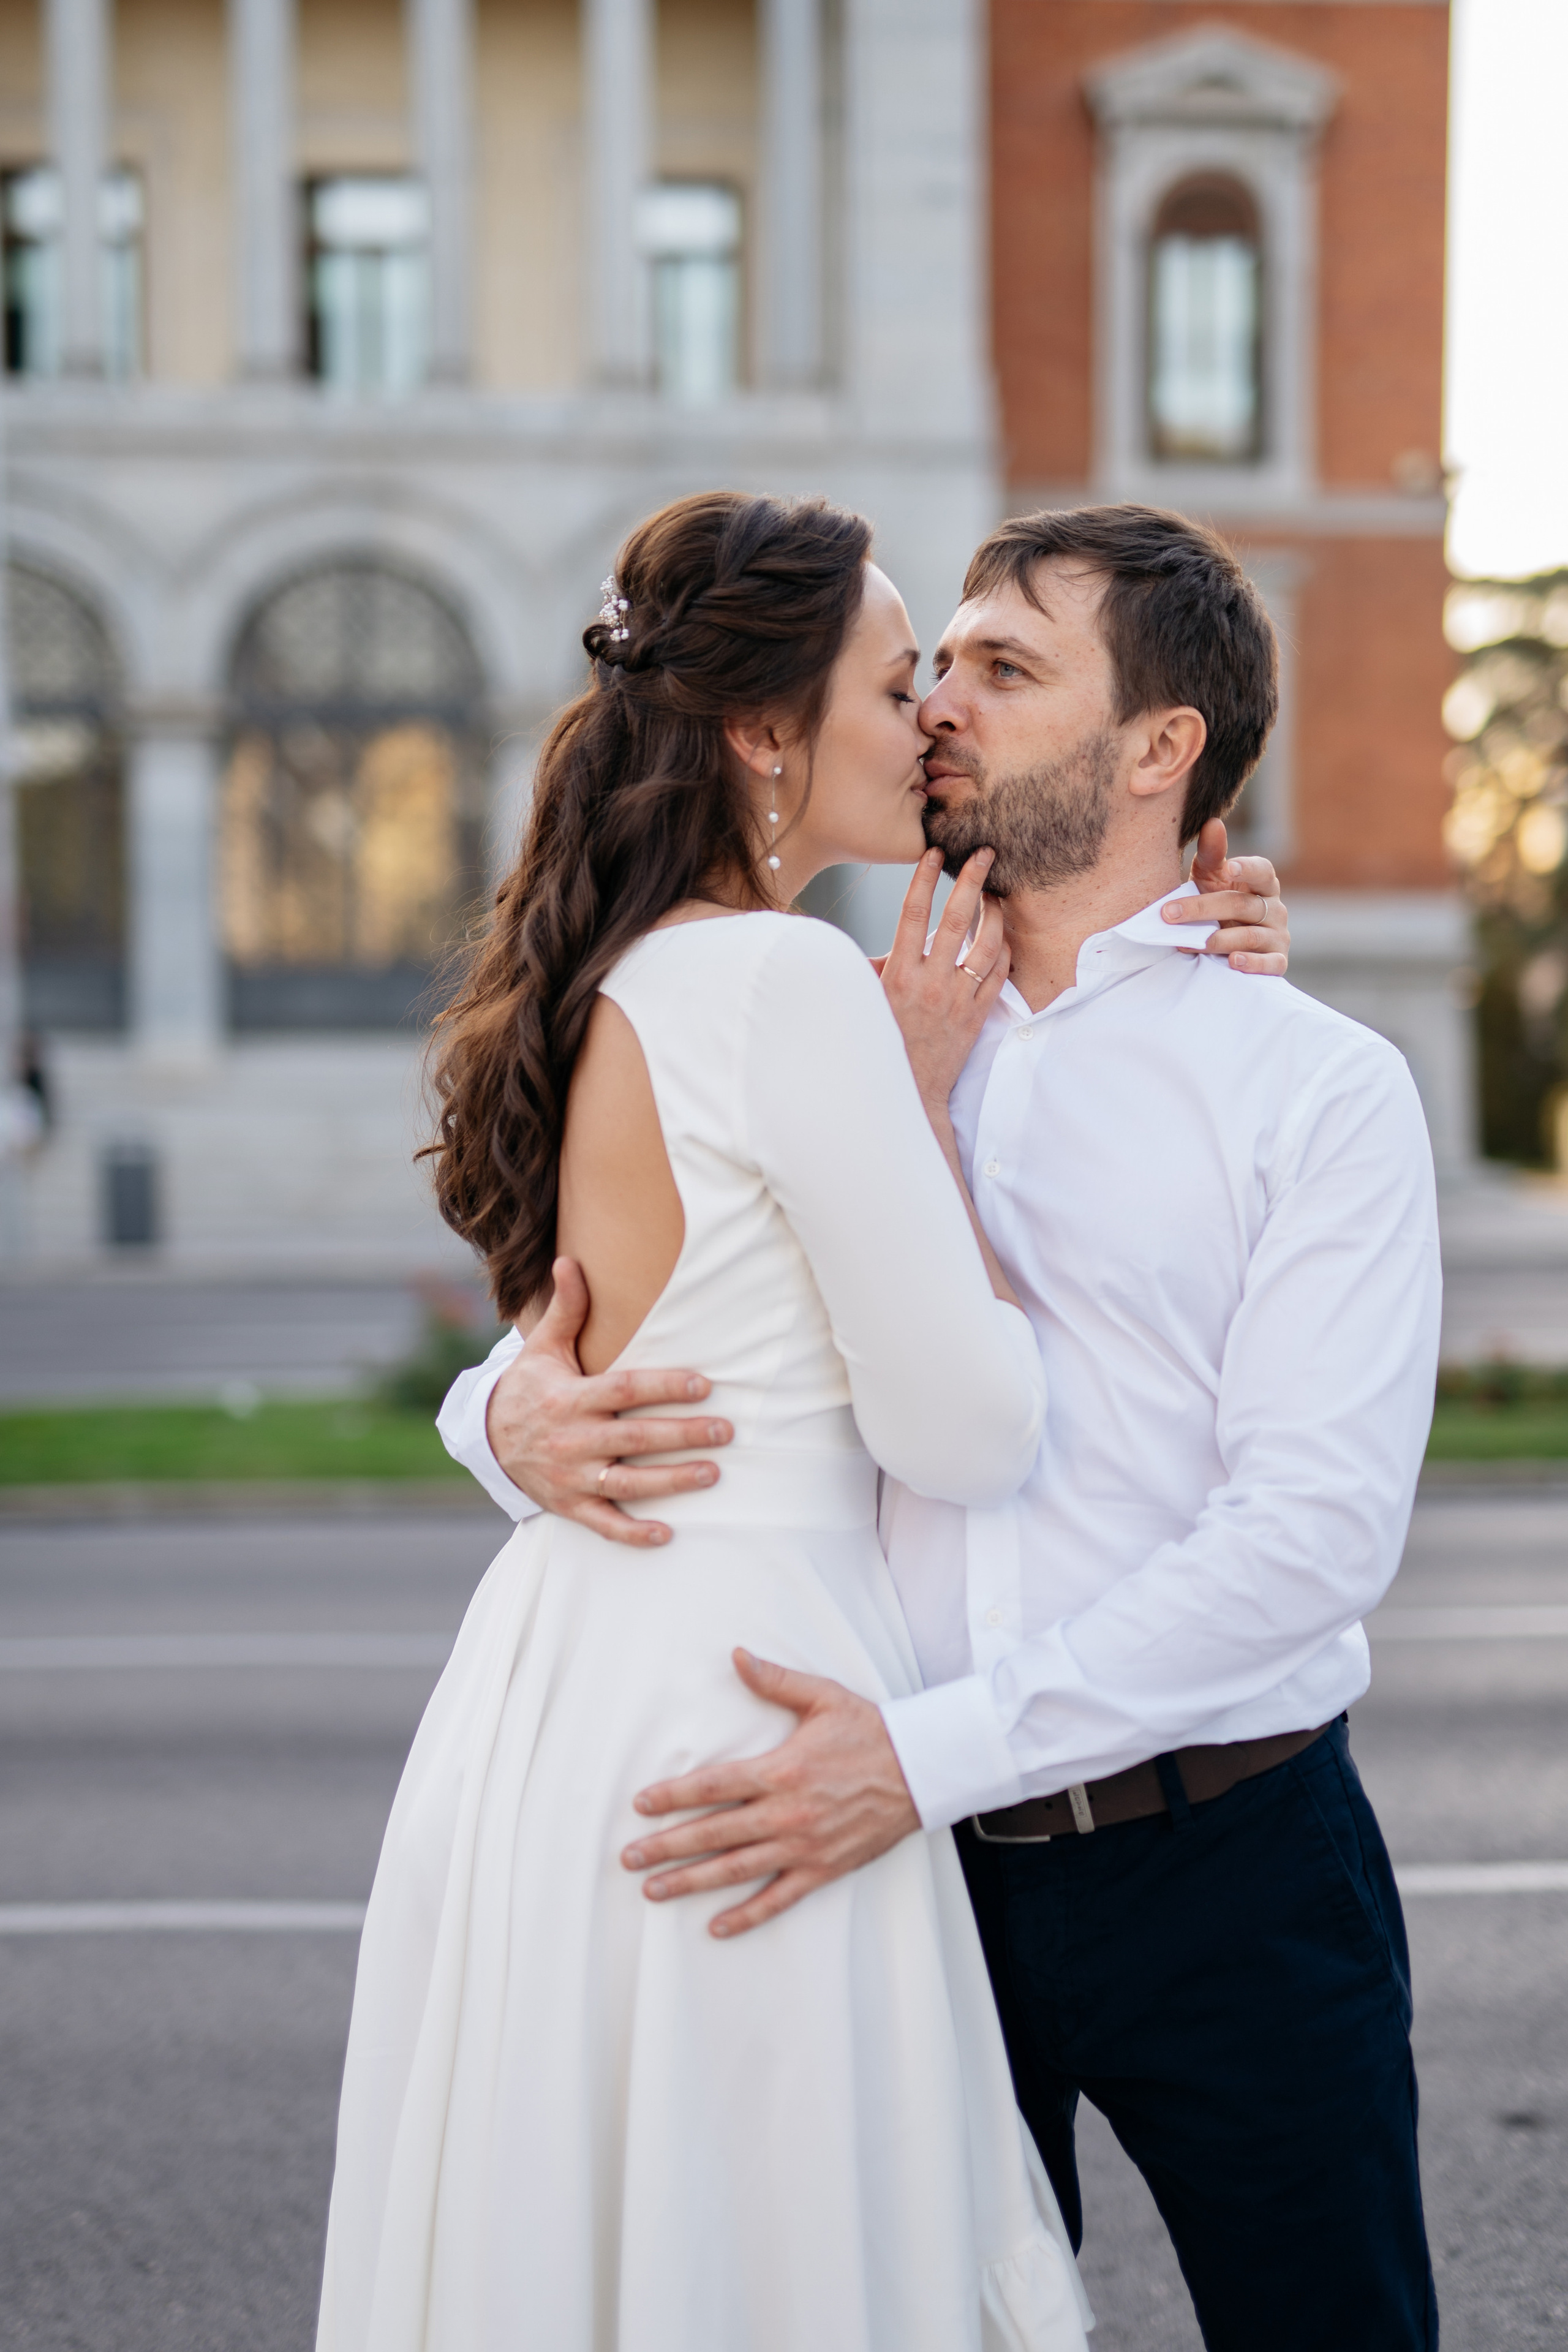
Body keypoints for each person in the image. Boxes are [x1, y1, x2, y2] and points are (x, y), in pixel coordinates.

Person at [441, 504, 1442, 2352]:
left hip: (1219, 1859)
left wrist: (929, 1754)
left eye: (1001, 668)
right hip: (910, 1876)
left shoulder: (1311, 1083)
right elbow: (635, 1310)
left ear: (1160, 752)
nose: (938, 710)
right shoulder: (856, 1020)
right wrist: (503, 1415)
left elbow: (1310, 1537)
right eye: (932, 664)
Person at [324, 491, 1129, 2352]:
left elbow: (574, 1334)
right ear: (765, 734)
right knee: (762, 2241)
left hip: (558, 1692)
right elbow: (969, 1433)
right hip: (747, 1704)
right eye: (890, 674)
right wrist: (923, 1123)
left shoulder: (622, 975)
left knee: (589, 2219)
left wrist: (504, 1406)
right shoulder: (780, 983)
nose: (926, 709)